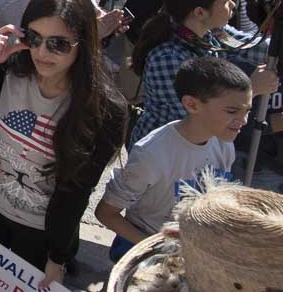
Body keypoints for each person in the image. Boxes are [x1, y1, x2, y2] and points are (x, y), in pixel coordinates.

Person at [0, 0, 128, 288]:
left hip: (40, 232)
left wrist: (58, 256)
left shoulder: (106, 112)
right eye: (34, 38)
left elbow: (78, 190)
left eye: (58, 44)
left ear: (84, 44)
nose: (41, 53)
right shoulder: (7, 71)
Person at [96, 57, 251, 262]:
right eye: (232, 111)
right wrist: (160, 248)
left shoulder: (225, 144)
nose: (243, 121)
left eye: (247, 111)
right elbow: (106, 214)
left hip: (192, 250)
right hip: (143, 250)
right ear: (192, 104)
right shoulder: (151, 154)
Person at [129, 0, 278, 147]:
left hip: (203, 148)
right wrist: (251, 89)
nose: (233, 5)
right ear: (200, 12)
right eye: (225, 1)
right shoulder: (167, 58)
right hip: (164, 155)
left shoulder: (213, 33)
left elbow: (257, 48)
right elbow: (195, 118)